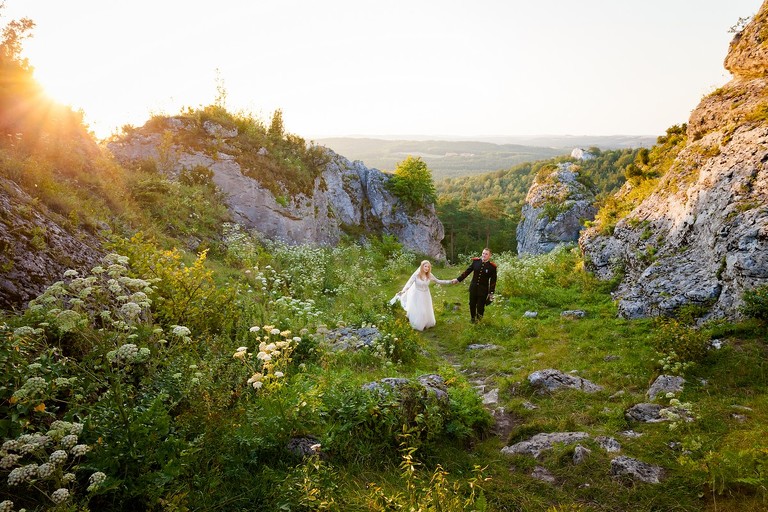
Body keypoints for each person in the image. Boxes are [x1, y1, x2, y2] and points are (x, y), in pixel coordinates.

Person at [395, 260, 453, 331]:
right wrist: (403, 291)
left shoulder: (429, 275)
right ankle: (419, 324)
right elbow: (409, 284)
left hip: (426, 295)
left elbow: (438, 281)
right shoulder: (416, 275)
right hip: (417, 294)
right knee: (421, 311)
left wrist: (450, 281)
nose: (427, 268)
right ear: (422, 266)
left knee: (426, 310)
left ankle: (426, 323)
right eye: (425, 266)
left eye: (428, 267)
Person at [452, 248, 497, 323]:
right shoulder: (476, 262)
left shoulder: (492, 267)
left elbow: (493, 281)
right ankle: (472, 318)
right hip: (473, 288)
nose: (484, 255)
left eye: (486, 254)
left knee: (480, 306)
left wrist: (491, 293)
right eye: (483, 253)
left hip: (483, 290)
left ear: (490, 256)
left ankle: (479, 321)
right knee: (472, 304)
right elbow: (467, 272)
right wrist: (458, 279)